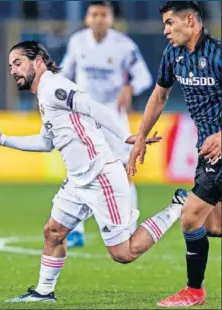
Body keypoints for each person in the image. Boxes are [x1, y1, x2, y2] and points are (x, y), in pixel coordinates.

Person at [0, 40, 188, 303]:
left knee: (123, 253)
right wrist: (3, 139)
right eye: (11, 65)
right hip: (78, 180)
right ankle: (44, 293)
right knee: (53, 231)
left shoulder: (54, 86)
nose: (13, 70)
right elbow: (46, 142)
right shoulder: (44, 94)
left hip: (100, 176)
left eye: (18, 63)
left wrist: (128, 136)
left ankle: (176, 208)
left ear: (38, 61)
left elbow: (94, 106)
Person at [126, 1, 221, 307]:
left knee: (191, 218)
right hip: (208, 149)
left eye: (169, 23)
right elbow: (159, 94)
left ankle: (194, 291)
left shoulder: (218, 54)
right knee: (214, 225)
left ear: (190, 20)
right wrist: (140, 137)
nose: (165, 31)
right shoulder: (173, 55)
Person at [60, 1, 153, 248]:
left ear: (110, 19)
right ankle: (75, 230)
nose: (99, 19)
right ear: (87, 18)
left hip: (112, 115)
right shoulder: (77, 42)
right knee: (78, 171)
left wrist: (130, 87)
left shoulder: (124, 45)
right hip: (84, 115)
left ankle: (129, 228)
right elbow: (65, 73)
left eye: (103, 14)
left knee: (124, 171)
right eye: (94, 14)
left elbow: (144, 77)